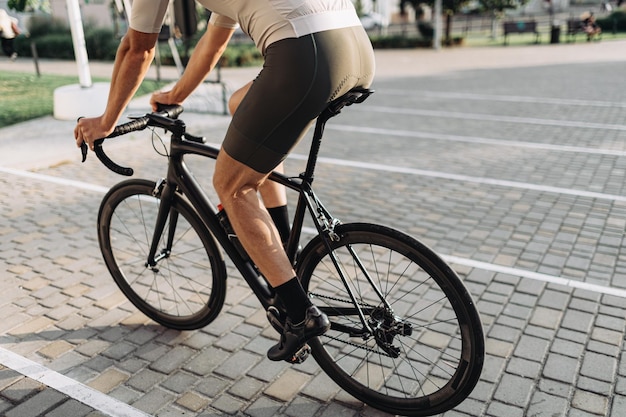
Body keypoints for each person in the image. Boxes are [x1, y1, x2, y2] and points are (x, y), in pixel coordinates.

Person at [75, 0, 375, 362]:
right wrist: (175, 95)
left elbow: (137, 48)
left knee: (232, 186)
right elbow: (214, 41)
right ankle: (285, 253)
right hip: (356, 46)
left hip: (305, 52)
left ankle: (300, 316)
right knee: (241, 108)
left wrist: (106, 121)